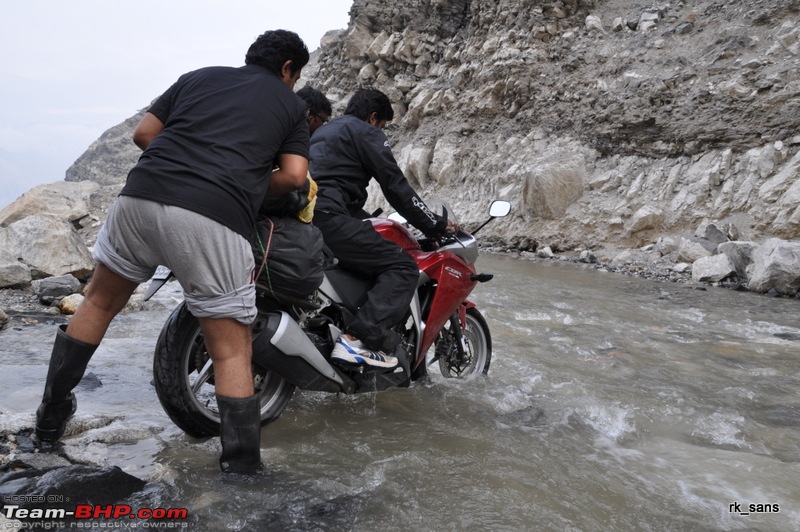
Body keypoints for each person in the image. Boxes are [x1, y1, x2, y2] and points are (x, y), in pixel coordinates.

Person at [33, 29, 312, 475]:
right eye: (296, 77)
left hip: (139, 198)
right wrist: (247, 183)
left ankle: (47, 427)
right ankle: (241, 472)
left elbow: (144, 133)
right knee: (230, 349)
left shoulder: (198, 77)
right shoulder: (291, 106)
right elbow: (296, 177)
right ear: (287, 69)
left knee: (99, 302)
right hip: (213, 216)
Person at [309, 88, 456, 369]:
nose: (382, 131)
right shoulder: (364, 131)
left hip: (305, 215)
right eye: (383, 125)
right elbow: (396, 187)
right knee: (402, 267)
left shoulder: (324, 132)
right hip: (328, 216)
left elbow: (334, 186)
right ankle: (357, 340)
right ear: (373, 117)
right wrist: (434, 225)